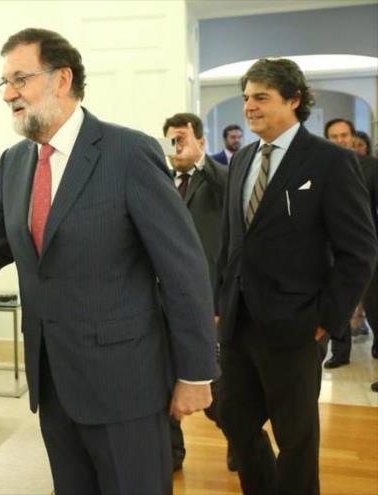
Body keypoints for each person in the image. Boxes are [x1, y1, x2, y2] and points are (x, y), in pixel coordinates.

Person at [0, 28, 217, 494]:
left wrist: (195, 371)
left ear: (61, 79)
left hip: (125, 385)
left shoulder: (127, 153)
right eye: (3, 83)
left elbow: (183, 267)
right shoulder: (14, 164)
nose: (8, 93)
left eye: (19, 79)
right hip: (53, 383)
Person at [215, 58, 377, 495]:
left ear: (294, 100)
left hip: (296, 325)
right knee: (236, 423)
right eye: (246, 97)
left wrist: (329, 318)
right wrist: (218, 303)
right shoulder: (243, 158)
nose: (249, 106)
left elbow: (359, 250)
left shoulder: (330, 162)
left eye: (261, 97)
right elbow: (231, 242)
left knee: (296, 437)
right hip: (237, 322)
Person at [162, 112, 271, 473]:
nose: (176, 147)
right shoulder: (159, 179)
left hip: (209, 297)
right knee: (162, 383)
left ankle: (239, 445)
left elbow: (234, 194)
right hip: (163, 300)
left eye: (182, 138)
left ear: (201, 142)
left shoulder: (219, 177)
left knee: (220, 391)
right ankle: (172, 453)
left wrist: (200, 161)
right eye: (171, 140)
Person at [322, 118, 378, 368]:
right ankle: (340, 352)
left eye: (343, 135)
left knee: (374, 302)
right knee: (336, 299)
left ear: (352, 137)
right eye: (333, 136)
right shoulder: (321, 166)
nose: (339, 140)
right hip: (329, 246)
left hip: (366, 246)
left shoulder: (371, 167)